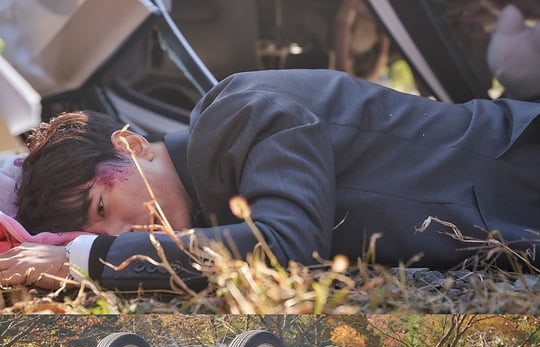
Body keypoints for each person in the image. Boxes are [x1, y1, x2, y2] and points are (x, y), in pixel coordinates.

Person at [0, 68, 539, 291]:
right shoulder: (213, 206)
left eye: (102, 207)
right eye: (108, 232)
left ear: (131, 144)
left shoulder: (240, 113)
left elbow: (286, 245)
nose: (126, 230)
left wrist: (90, 258)